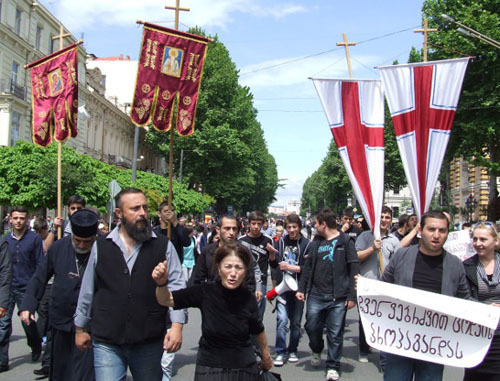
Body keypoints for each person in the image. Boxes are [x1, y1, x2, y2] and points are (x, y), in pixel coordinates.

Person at [74, 189, 186, 381]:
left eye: (144, 207)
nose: (142, 212)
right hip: (107, 339)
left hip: (148, 339)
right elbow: (87, 290)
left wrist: (177, 326)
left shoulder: (162, 246)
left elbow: (177, 287)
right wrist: (80, 328)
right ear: (119, 213)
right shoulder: (101, 246)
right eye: (135, 208)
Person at [153, 243, 273, 380]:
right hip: (210, 368)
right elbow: (166, 300)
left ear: (245, 271)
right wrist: (161, 283)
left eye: (238, 267)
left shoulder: (248, 298)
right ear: (219, 268)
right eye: (228, 267)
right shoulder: (205, 291)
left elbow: (258, 330)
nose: (233, 273)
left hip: (244, 368)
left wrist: (266, 356)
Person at [380, 210, 471, 381]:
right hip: (401, 340)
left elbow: (464, 299)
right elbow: (381, 287)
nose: (436, 235)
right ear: (420, 230)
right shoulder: (402, 256)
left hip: (435, 344)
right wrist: (363, 285)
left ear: (447, 233)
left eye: (442, 231)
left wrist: (488, 310)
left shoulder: (455, 264)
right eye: (431, 229)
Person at [19, 209, 99, 380]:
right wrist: (28, 305)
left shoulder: (105, 250)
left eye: (88, 241)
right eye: (78, 241)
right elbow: (39, 277)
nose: (83, 245)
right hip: (61, 323)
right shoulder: (59, 247)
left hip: (90, 327)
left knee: (85, 375)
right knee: (61, 374)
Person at [296, 208, 359, 381]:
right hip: (316, 295)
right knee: (311, 326)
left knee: (335, 333)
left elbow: (354, 267)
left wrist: (352, 296)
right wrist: (302, 289)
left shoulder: (345, 241)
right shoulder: (316, 241)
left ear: (323, 224)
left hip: (337, 296)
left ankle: (333, 365)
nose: (314, 226)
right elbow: (308, 267)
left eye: (316, 223)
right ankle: (316, 348)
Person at [355, 206, 401, 364]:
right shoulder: (364, 236)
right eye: (381, 216)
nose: (384, 220)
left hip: (385, 286)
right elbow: (356, 256)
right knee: (365, 319)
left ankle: (384, 358)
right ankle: (363, 348)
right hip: (367, 284)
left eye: (387, 217)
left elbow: (399, 263)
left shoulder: (394, 241)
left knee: (385, 320)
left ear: (391, 220)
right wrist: (372, 248)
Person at [0, 206, 44, 372]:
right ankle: (2, 361)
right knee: (3, 324)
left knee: (28, 322)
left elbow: (40, 264)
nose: (18, 221)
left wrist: (37, 286)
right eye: (16, 218)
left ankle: (35, 345)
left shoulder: (34, 239)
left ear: (27, 220)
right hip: (7, 287)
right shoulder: (5, 240)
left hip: (27, 287)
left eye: (22, 218)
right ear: (10, 219)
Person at [270, 213, 311, 366]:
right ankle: (280, 351)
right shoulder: (280, 242)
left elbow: (308, 268)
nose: (292, 230)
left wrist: (291, 267)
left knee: (295, 322)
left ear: (299, 227)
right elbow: (274, 265)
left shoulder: (307, 244)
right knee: (281, 320)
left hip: (299, 288)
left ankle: (292, 349)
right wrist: (272, 257)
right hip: (283, 288)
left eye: (294, 227)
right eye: (289, 227)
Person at [463, 222, 500, 381]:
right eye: (475, 239)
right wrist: (483, 308)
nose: (478, 243)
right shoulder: (466, 266)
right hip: (478, 334)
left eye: (483, 239)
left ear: (495, 241)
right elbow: (461, 297)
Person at [190, 216, 261, 295]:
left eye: (234, 229)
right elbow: (198, 279)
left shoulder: (243, 251)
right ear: (218, 229)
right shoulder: (207, 251)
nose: (231, 232)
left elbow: (250, 280)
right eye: (227, 228)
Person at [238, 211, 275, 319]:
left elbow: (273, 263)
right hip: (245, 281)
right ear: (249, 223)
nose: (256, 227)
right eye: (253, 223)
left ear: (263, 224)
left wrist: (272, 253)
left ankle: (255, 335)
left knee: (257, 315)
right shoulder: (241, 241)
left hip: (262, 281)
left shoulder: (268, 240)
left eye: (259, 224)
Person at [0, 238, 11, 373]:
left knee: (3, 326)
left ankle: (2, 361)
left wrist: (3, 302)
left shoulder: (2, 244)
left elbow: (5, 272)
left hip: (4, 292)